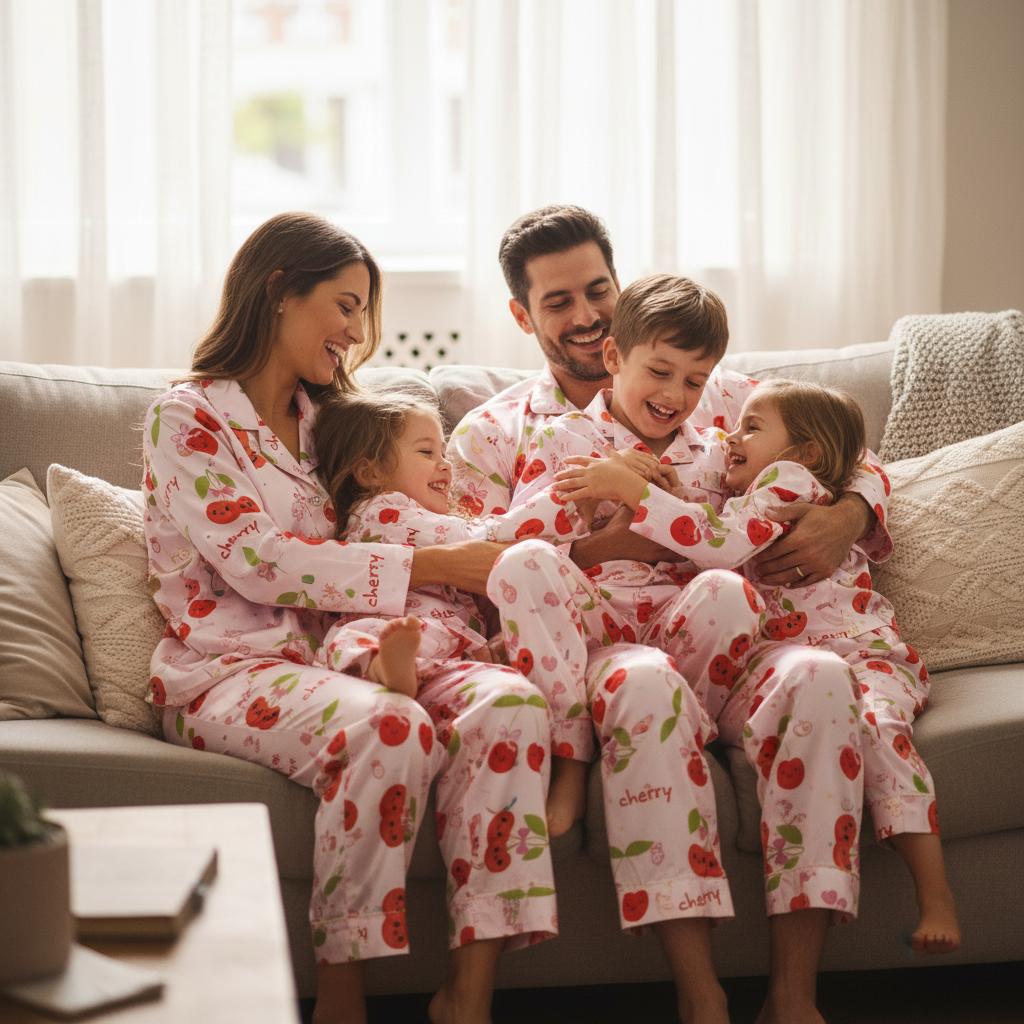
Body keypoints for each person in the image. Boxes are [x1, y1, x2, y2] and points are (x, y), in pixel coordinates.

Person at [142, 212, 552, 1024]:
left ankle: (467, 999)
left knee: (510, 706)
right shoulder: (189, 417)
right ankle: (341, 997)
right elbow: (257, 560)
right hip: (230, 670)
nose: (357, 331)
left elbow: (419, 509)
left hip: (351, 655)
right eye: (344, 304)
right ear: (279, 291)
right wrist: (430, 568)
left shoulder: (335, 425)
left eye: (364, 311)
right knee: (389, 727)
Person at [503, 274, 866, 1024]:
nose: (675, 394)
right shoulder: (556, 436)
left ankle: (794, 995)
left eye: (695, 381)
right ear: (614, 356)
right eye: (659, 373)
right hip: (611, 640)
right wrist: (610, 497)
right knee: (639, 676)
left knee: (818, 671)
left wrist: (853, 510)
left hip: (717, 645)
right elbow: (517, 543)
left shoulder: (730, 437)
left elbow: (835, 449)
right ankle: (700, 993)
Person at [563, 377, 959, 955]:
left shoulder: (787, 482)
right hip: (783, 658)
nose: (728, 436)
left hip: (859, 651)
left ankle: (936, 893)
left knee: (876, 729)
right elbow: (719, 526)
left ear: (804, 454)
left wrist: (635, 491)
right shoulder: (758, 484)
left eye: (749, 428)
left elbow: (719, 543)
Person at [448, 204, 892, 590]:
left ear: (618, 285)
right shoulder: (489, 434)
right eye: (558, 303)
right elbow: (469, 566)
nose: (586, 316)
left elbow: (850, 452)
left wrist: (847, 519)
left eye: (598, 291)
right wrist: (600, 549)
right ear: (522, 316)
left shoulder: (725, 396)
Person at [310, 386, 601, 835]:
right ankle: (389, 669)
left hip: (457, 643)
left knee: (517, 644)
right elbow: (491, 535)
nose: (445, 465)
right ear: (369, 472)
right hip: (397, 625)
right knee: (367, 637)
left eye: (443, 451)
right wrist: (568, 498)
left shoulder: (415, 512)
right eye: (427, 452)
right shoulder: (382, 512)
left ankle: (402, 672)